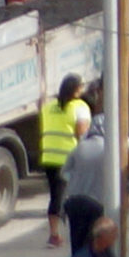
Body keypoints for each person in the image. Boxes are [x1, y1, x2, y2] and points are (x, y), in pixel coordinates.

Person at [38, 75, 90, 246]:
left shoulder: (48, 106)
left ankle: (54, 234)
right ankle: (78, 230)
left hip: (49, 156)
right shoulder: (79, 106)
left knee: (56, 195)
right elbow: (82, 132)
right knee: (77, 193)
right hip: (69, 157)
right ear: (76, 89)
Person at [61, 115, 114, 255]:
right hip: (97, 202)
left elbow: (64, 174)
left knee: (77, 244)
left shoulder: (79, 147)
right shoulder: (110, 149)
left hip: (74, 201)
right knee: (96, 245)